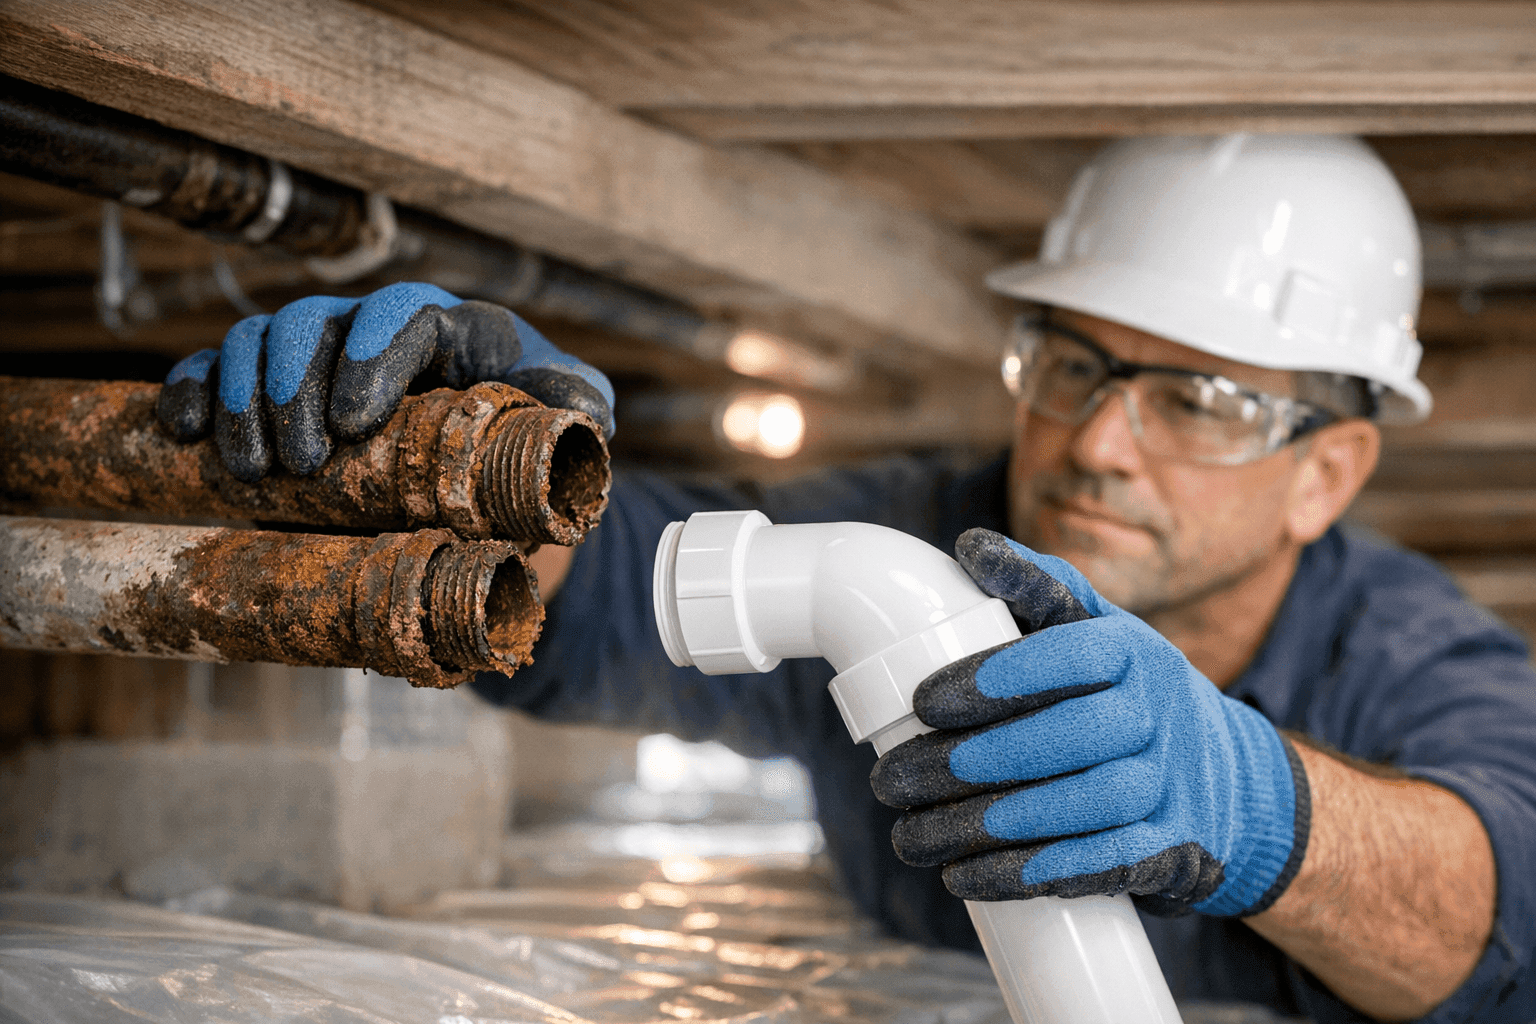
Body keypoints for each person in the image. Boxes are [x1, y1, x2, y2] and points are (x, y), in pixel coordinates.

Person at [162, 134, 1535, 1023]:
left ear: (1329, 472)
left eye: (1205, 402)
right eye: (1076, 367)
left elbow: (1504, 901)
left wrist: (1255, 804)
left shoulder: (1407, 653)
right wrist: (457, 460)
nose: (1101, 443)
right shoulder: (899, 541)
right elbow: (595, 594)